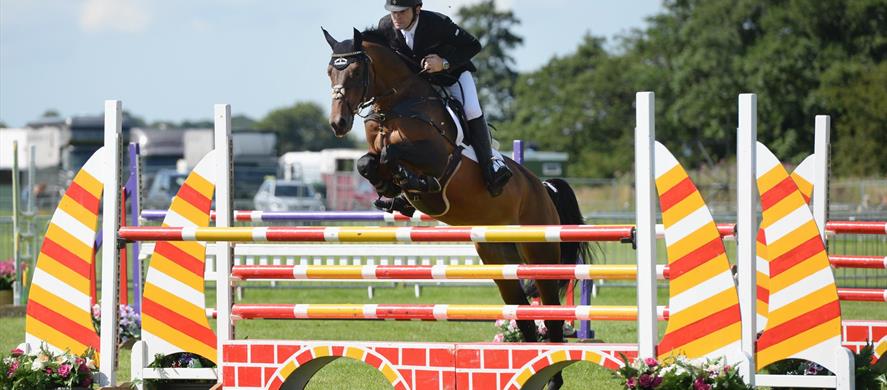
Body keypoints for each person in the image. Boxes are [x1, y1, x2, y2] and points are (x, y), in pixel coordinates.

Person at [378, 0, 512, 197]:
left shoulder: (437, 23)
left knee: (472, 110)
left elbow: (473, 45)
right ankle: (400, 190)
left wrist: (445, 63)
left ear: (417, 9)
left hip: (452, 77)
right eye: (393, 12)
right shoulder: (385, 26)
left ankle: (489, 165)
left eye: (402, 12)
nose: (396, 17)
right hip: (422, 85)